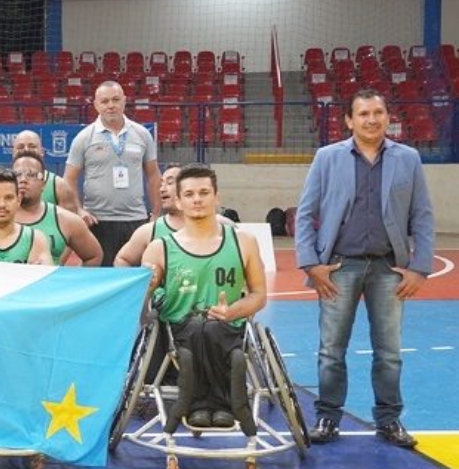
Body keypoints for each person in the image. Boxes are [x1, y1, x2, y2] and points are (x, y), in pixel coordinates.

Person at [295, 89, 435, 448]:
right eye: (363, 114)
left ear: (388, 116)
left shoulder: (408, 158)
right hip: (339, 266)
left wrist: (419, 268)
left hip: (390, 268)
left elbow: (421, 215)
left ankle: (389, 421)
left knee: (388, 351)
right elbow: (306, 212)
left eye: (378, 112)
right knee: (331, 350)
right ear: (349, 120)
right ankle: (327, 418)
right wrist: (311, 264)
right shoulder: (328, 157)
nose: (372, 119)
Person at [141, 165, 266, 432]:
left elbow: (258, 295)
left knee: (212, 327)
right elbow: (145, 301)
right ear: (178, 200)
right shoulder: (159, 248)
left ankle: (211, 404)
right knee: (199, 327)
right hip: (179, 332)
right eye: (189, 194)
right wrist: (148, 287)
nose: (197, 199)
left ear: (217, 197)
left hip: (228, 327)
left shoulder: (243, 241)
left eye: (204, 192)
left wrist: (232, 311)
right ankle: (212, 402)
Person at [0, 150, 100, 266]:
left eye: (31, 175)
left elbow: (94, 256)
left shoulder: (59, 224)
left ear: (44, 182)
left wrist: (65, 287)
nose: (23, 180)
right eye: (18, 174)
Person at [64, 80, 161, 266]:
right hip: (99, 221)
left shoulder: (142, 134)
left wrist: (156, 213)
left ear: (124, 101)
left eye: (116, 99)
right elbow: (69, 179)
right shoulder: (84, 137)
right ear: (96, 105)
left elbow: (154, 175)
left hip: (137, 220)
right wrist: (78, 209)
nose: (111, 105)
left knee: (136, 279)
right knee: (103, 278)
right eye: (105, 101)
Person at [11, 129, 80, 212]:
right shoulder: (2, 182)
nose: (26, 150)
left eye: (32, 146)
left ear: (42, 152)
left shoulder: (59, 186)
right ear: (13, 152)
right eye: (20, 147)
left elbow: (70, 222)